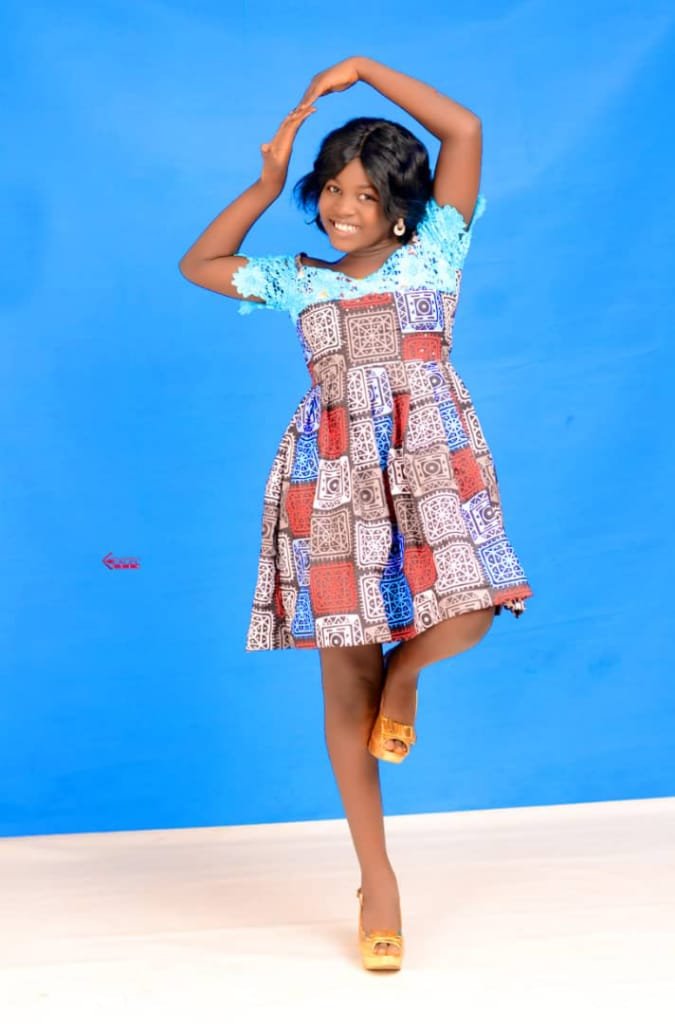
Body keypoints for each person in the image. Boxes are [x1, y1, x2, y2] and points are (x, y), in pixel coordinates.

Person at [179, 56, 533, 971]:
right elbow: (199, 264)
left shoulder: (437, 251)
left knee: (472, 603)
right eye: (332, 189)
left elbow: (464, 130)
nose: (342, 207)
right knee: (343, 680)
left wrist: (367, 69)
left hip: (431, 461)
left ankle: (404, 680)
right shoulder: (301, 279)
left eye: (365, 194)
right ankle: (377, 882)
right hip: (330, 476)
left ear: (399, 206)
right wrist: (265, 184)